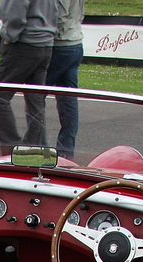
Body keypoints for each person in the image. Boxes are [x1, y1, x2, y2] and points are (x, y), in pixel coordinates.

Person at [0, 0, 58, 154]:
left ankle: (11, 149)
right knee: (36, 100)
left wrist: (8, 35)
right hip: (45, 43)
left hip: (24, 43)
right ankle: (33, 147)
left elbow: (15, 14)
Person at [45, 0, 83, 159]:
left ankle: (37, 146)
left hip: (59, 44)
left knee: (35, 95)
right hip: (75, 42)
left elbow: (59, 16)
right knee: (68, 99)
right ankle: (66, 152)